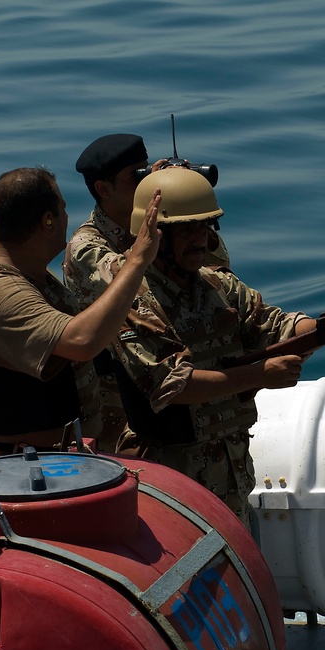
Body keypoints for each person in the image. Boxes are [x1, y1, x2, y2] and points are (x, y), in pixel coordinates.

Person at [110, 167, 316, 528]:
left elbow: (275, 326)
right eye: (187, 230)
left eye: (205, 228)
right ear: (156, 235)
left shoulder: (217, 286)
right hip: (170, 483)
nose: (200, 239)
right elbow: (173, 386)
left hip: (231, 479)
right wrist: (260, 375)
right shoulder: (133, 302)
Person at [0, 166, 162, 459]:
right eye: (62, 209)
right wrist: (138, 259)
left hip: (63, 461)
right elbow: (82, 341)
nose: (67, 218)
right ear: (48, 220)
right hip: (29, 471)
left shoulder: (31, 275)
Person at [65, 133, 230, 446]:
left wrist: (190, 214)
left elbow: (218, 271)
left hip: (176, 373)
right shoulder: (86, 248)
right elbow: (137, 284)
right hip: (116, 406)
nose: (147, 185)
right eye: (136, 178)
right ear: (103, 189)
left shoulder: (166, 228)